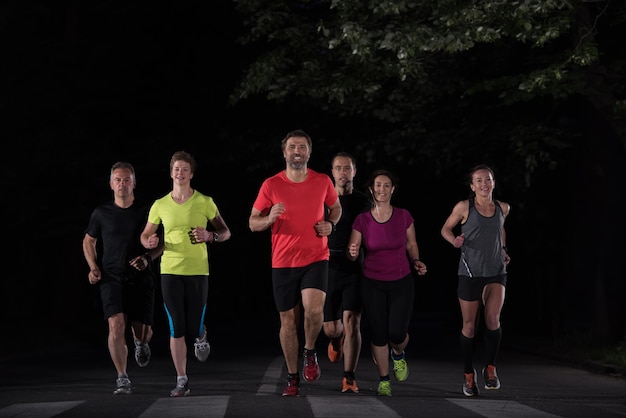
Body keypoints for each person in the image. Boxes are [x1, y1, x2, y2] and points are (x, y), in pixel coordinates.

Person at [249, 129, 342, 397]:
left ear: (309, 152)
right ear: (284, 152)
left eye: (302, 147)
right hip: (283, 262)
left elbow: (336, 208)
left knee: (314, 311)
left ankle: (310, 351)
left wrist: (331, 224)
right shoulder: (271, 185)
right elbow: (252, 222)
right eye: (292, 147)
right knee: (288, 322)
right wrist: (268, 219)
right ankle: (292, 377)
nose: (297, 151)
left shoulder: (323, 181)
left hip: (316, 257)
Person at [140, 150, 232, 397]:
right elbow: (145, 235)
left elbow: (226, 232)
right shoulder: (160, 204)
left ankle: (201, 334)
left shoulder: (204, 201)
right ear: (171, 173)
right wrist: (148, 242)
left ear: (191, 174)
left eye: (184, 169)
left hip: (198, 270)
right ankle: (182, 379)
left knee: (193, 324)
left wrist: (209, 236)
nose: (180, 173)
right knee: (175, 326)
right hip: (170, 269)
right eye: (176, 169)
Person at [82, 161, 163, 395]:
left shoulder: (148, 212)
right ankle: (122, 377)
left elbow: (162, 244)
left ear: (134, 183)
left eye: (127, 179)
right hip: (112, 277)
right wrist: (93, 267)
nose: (122, 184)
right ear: (111, 184)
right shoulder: (101, 213)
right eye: (118, 179)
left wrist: (148, 257)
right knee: (116, 325)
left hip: (141, 276)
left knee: (143, 332)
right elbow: (89, 240)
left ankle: (141, 343)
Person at [347, 169, 427, 397]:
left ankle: (399, 354)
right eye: (378, 185)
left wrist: (417, 260)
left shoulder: (403, 216)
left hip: (401, 281)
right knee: (379, 334)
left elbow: (411, 245)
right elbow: (353, 252)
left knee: (397, 334)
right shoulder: (362, 220)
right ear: (371, 189)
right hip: (372, 282)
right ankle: (384, 380)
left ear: (393, 189)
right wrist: (352, 252)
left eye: (386, 185)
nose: (382, 189)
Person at [440, 164, 511, 397]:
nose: (484, 184)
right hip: (470, 272)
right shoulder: (464, 207)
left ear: (493, 183)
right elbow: (445, 229)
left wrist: (503, 249)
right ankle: (468, 375)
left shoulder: (503, 208)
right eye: (479, 180)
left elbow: (500, 230)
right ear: (472, 186)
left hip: (496, 271)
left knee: (493, 319)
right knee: (470, 326)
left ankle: (490, 369)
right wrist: (454, 241)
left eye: (487, 180)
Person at [323, 152, 371, 394]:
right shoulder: (321, 200)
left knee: (353, 321)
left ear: (354, 172)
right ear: (332, 172)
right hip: (326, 266)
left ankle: (349, 377)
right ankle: (335, 339)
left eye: (347, 168)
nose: (343, 172)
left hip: (354, 266)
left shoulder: (365, 202)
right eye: (338, 168)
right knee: (332, 328)